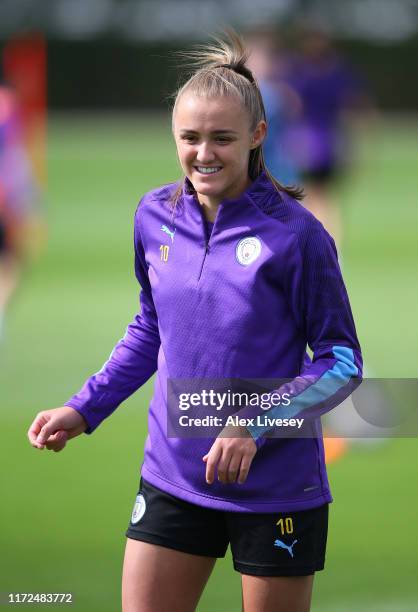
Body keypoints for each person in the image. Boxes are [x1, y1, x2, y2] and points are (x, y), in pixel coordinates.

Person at [27, 30, 362, 612]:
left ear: (258, 136)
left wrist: (253, 428)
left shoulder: (299, 236)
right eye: (190, 137)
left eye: (222, 138)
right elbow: (150, 328)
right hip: (172, 473)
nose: (204, 153)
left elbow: (341, 363)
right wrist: (85, 407)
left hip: (276, 488)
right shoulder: (154, 215)